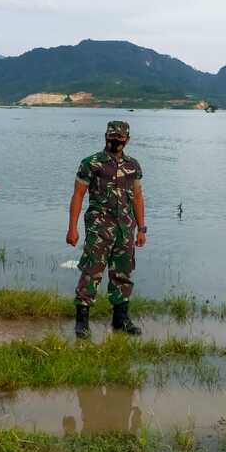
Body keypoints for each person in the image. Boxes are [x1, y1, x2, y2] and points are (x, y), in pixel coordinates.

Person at [66, 120, 146, 338]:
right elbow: (78, 195)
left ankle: (121, 320)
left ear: (127, 140)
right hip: (99, 228)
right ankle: (82, 322)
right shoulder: (91, 163)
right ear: (105, 136)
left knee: (123, 273)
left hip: (125, 229)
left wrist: (142, 228)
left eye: (120, 137)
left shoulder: (133, 166)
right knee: (91, 272)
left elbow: (138, 198)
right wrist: (72, 228)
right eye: (112, 136)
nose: (116, 140)